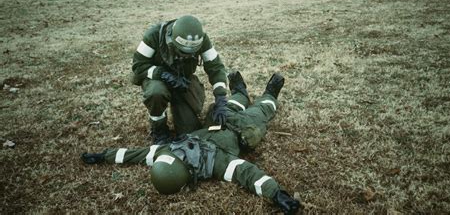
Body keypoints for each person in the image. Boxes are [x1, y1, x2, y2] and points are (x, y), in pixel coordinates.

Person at [82, 72, 301, 215]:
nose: (183, 151)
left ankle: (240, 92)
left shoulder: (168, 151)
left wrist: (104, 156)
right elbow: (248, 174)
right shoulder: (215, 163)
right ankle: (270, 94)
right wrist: (278, 194)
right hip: (242, 130)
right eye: (184, 157)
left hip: (217, 120)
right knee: (261, 111)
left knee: (231, 105)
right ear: (186, 170)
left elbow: (135, 154)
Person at [132, 15, 228, 144]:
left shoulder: (202, 39)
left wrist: (221, 98)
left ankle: (180, 106)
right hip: (157, 79)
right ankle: (159, 130)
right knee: (156, 93)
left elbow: (215, 67)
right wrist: (163, 74)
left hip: (182, 82)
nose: (187, 55)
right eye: (182, 51)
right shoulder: (153, 36)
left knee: (189, 133)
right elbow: (138, 66)